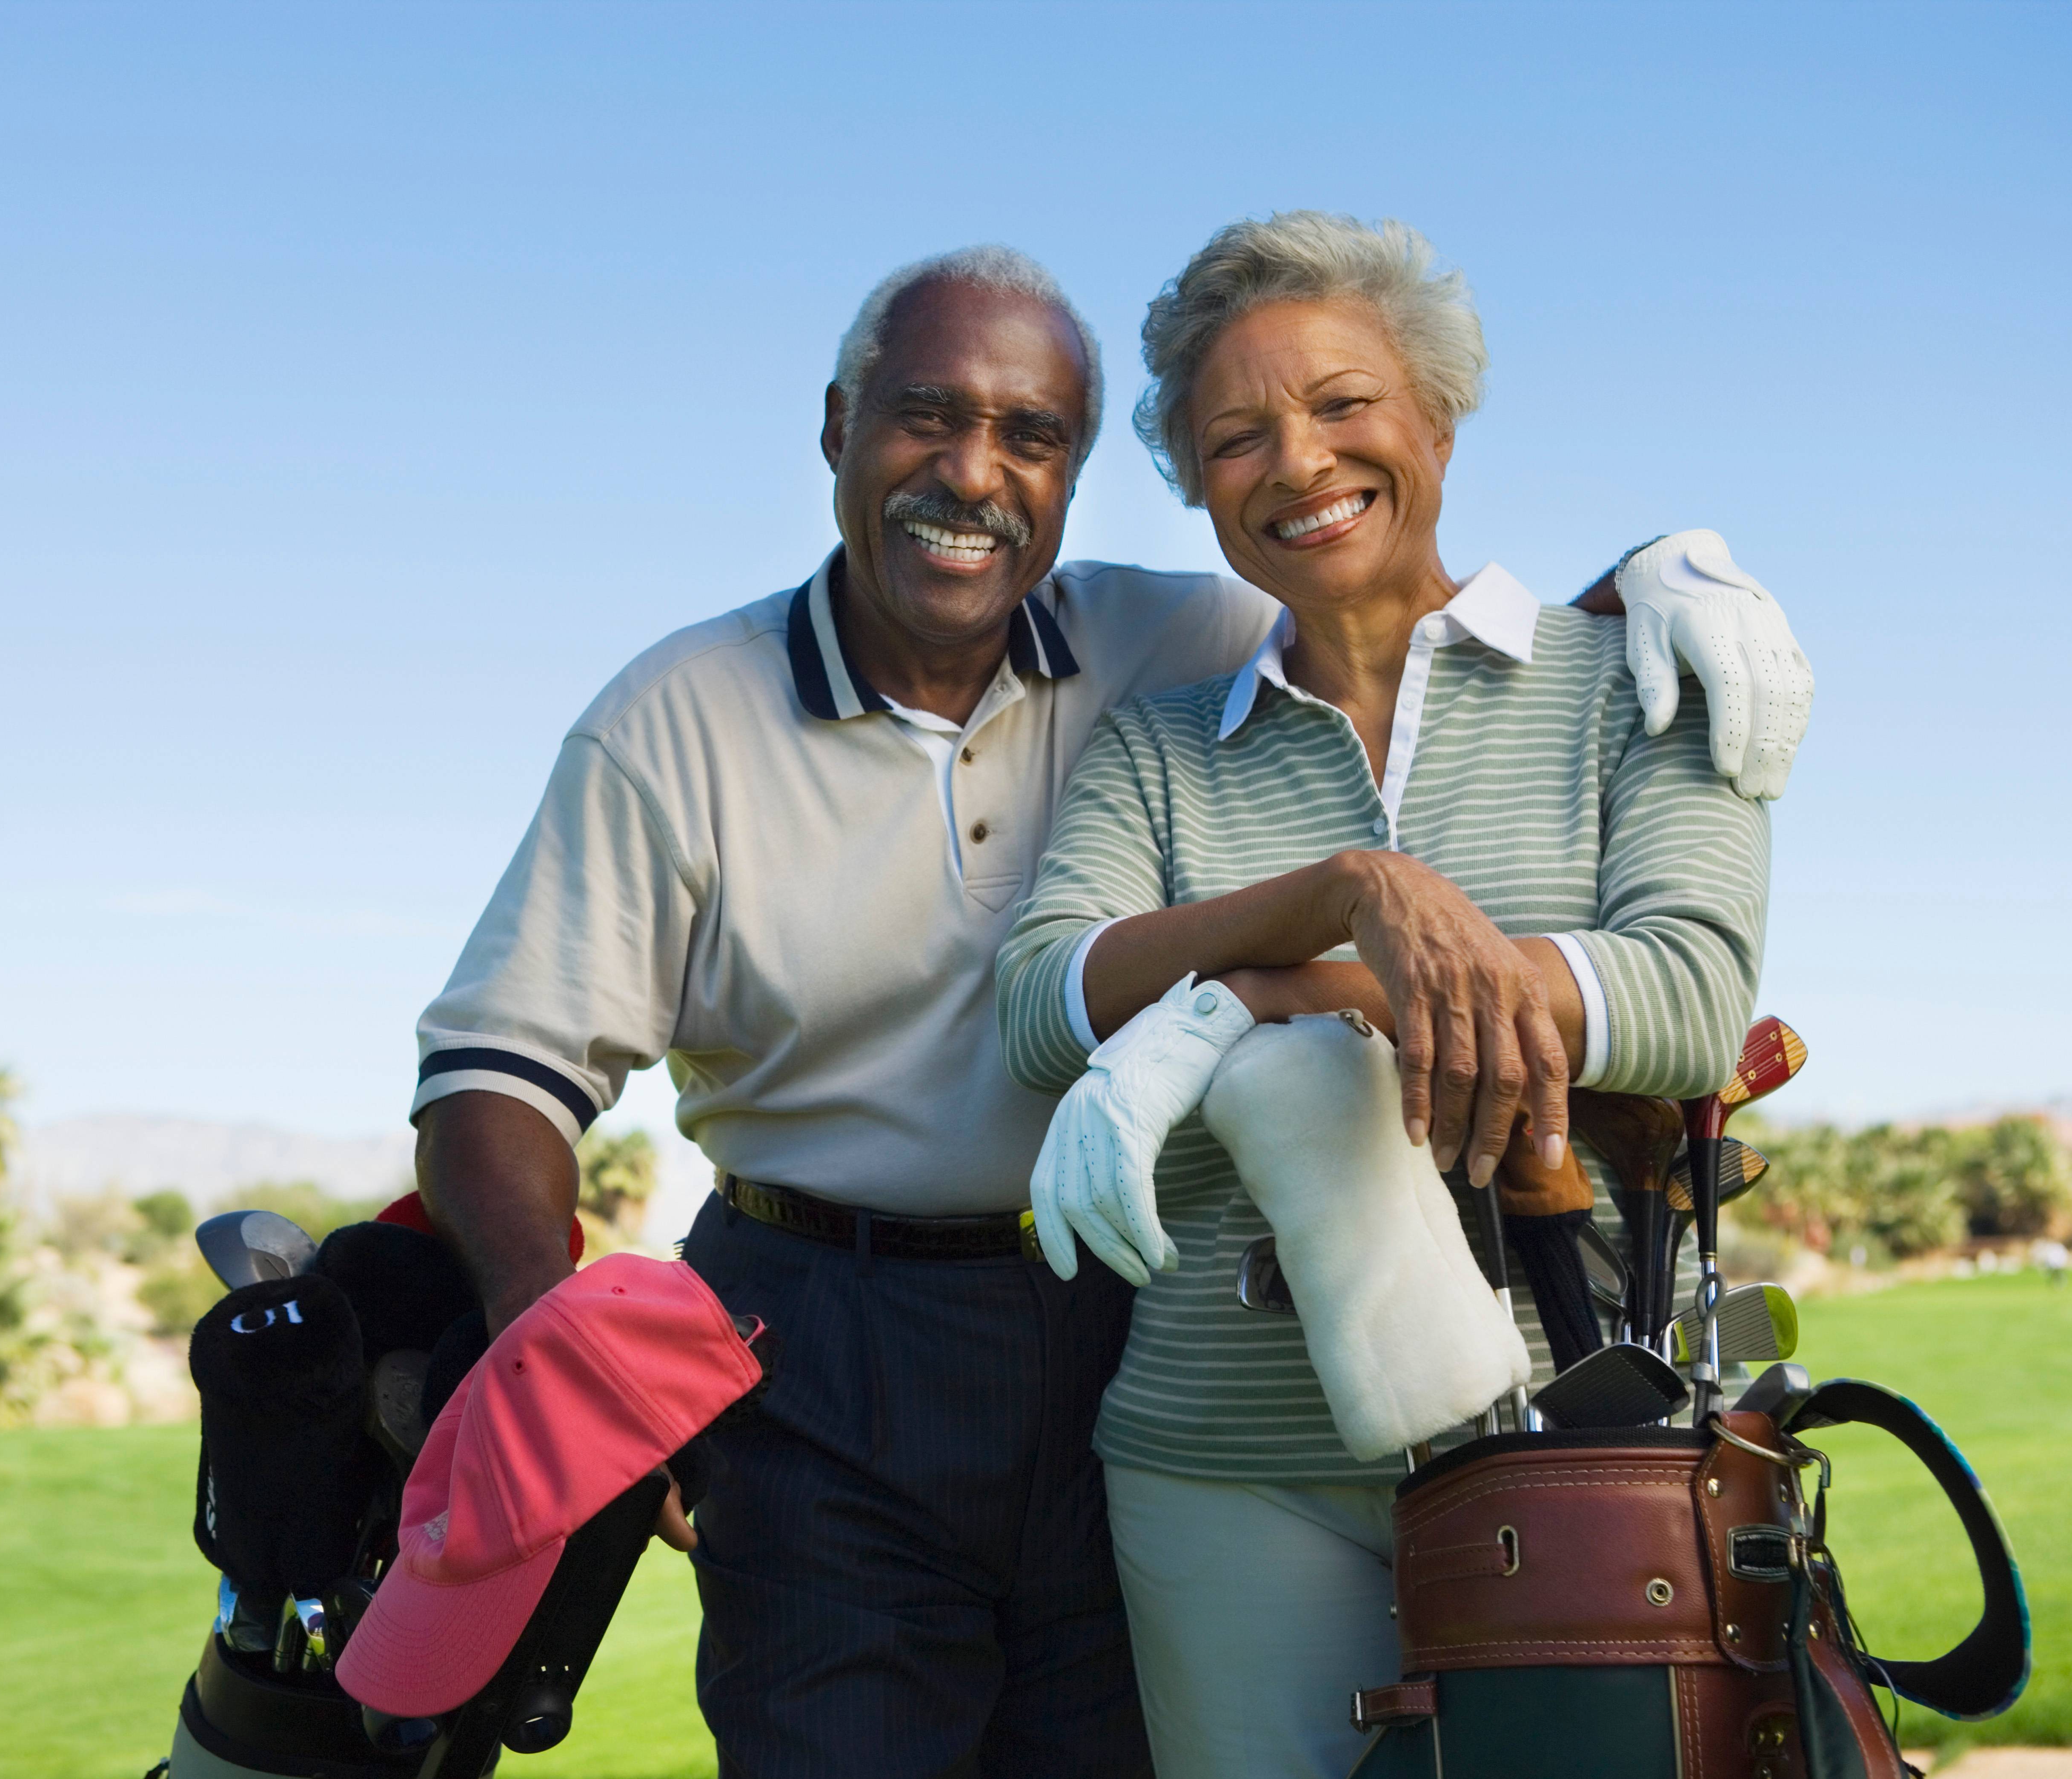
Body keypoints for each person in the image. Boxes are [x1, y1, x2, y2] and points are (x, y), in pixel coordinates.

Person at [409, 241, 1805, 1778]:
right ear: (838, 427)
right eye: (927, 415)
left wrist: (1670, 563)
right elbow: (501, 1071)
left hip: (1106, 1305)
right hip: (822, 1332)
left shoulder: (1174, 639)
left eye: (1031, 434)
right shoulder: (690, 716)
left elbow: (1405, 594)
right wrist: (556, 1358)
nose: (974, 472)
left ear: (1074, 474)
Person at [996, 211, 1776, 1778]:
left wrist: (1235, 1000)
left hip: (1582, 1443)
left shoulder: (1637, 680)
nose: (1297, 460)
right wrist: (1350, 892)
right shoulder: (1158, 749)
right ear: (1197, 480)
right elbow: (1042, 1004)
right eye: (1236, 436)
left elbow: (1687, 994)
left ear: (1437, 418)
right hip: (1223, 1464)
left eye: (1344, 403)